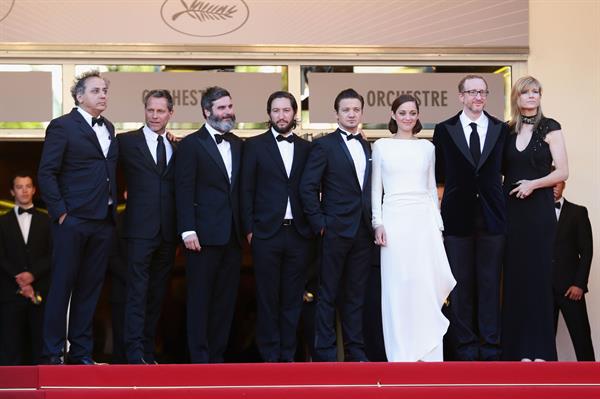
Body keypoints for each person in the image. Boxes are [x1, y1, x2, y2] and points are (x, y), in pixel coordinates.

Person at [38, 70, 118, 365]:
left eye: (105, 90)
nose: (103, 95)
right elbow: (47, 172)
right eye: (96, 90)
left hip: (103, 222)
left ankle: (81, 354)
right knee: (62, 287)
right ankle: (52, 354)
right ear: (79, 96)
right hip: (73, 221)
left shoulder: (109, 127)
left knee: (89, 290)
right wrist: (60, 213)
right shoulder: (62, 126)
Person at [372, 94, 456, 361]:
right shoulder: (381, 146)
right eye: (403, 112)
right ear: (394, 115)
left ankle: (428, 351)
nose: (408, 117)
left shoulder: (427, 148)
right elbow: (376, 189)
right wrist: (378, 223)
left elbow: (432, 189)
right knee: (398, 285)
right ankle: (401, 352)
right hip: (394, 219)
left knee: (424, 283)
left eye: (412, 113)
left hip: (423, 222)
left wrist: (437, 224)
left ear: (418, 116)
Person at [433, 75, 509, 361]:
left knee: (490, 284)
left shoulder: (501, 129)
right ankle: (465, 348)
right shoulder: (444, 130)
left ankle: (490, 347)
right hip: (456, 218)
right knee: (461, 285)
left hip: (492, 218)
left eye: (482, 92)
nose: (477, 97)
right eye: (472, 92)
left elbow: (506, 170)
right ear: (460, 96)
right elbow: (438, 175)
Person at [300, 88, 373, 362]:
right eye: (346, 110)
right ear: (337, 114)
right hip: (333, 231)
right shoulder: (324, 145)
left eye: (356, 110)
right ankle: (326, 355)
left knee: (356, 296)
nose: (351, 114)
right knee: (327, 295)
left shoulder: (368, 145)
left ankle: (356, 352)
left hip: (363, 232)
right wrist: (320, 223)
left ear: (361, 113)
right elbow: (307, 187)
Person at [241, 91, 313, 362]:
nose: (281, 115)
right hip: (265, 234)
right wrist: (249, 229)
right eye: (276, 110)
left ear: (294, 113)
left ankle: (288, 355)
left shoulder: (307, 149)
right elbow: (245, 190)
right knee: (267, 298)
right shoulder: (254, 146)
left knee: (293, 298)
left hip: (298, 233)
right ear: (269, 114)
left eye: (286, 110)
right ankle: (270, 357)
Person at [502, 75, 569, 361]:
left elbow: (562, 172)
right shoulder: (506, 131)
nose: (532, 96)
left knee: (539, 279)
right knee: (515, 279)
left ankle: (540, 351)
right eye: (526, 92)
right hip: (511, 213)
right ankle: (516, 351)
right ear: (516, 97)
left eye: (536, 92)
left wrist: (533, 184)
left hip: (539, 212)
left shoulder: (550, 127)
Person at [175, 86, 243, 363]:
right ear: (207, 112)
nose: (228, 112)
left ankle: (217, 359)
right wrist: (187, 229)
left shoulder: (239, 144)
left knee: (225, 303)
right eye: (222, 108)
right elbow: (183, 189)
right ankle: (200, 360)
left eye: (229, 106)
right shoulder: (191, 144)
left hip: (233, 237)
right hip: (201, 237)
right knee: (200, 300)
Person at [117, 89, 178, 364]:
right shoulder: (126, 142)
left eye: (160, 111)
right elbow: (103, 170)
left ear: (170, 114)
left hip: (167, 234)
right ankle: (133, 354)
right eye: (150, 110)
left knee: (156, 295)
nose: (155, 116)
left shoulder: (178, 147)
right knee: (137, 293)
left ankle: (148, 353)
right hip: (139, 231)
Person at [0, 172, 51, 365]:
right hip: (9, 294)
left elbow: (53, 254)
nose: (24, 190)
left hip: (41, 293)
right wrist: (21, 278)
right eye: (19, 187)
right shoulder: (2, 222)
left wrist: (32, 275)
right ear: (12, 191)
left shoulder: (47, 221)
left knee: (40, 346)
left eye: (28, 186)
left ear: (34, 190)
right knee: (9, 346)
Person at [552, 181, 594, 361]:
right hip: (544, 290)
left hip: (571, 288)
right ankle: (545, 383)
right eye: (549, 184)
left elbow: (586, 251)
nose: (553, 188)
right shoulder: (536, 216)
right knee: (544, 342)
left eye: (557, 184)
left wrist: (579, 284)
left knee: (582, 338)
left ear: (564, 185)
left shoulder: (578, 212)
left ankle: (593, 382)